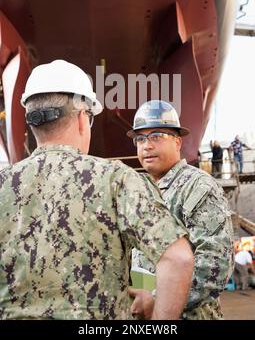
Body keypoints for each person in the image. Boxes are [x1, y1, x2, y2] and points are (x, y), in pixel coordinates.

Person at [0, 61, 194, 320]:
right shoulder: (116, 179)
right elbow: (179, 259)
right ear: (82, 118)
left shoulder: (3, 183)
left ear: (32, 122)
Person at [127, 100, 234, 320]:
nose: (146, 146)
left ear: (177, 142)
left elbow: (215, 265)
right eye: (140, 138)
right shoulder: (140, 189)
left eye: (156, 136)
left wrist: (158, 301)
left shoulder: (198, 187)